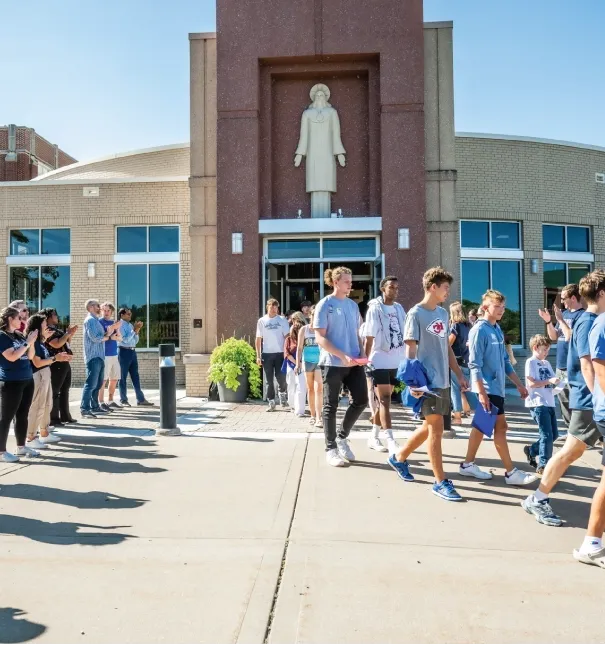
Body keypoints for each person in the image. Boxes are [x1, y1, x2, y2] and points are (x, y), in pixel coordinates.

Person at [521, 271, 603, 528]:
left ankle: (538, 497)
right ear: (600, 294)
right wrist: (598, 396)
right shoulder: (589, 322)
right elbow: (589, 365)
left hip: (587, 399)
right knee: (569, 451)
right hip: (589, 400)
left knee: (572, 450)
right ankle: (538, 498)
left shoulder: (585, 319)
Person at [388, 267, 469, 501]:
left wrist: (459, 375)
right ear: (433, 287)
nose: (447, 293)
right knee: (435, 431)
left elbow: (446, 348)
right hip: (426, 382)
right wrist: (412, 383)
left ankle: (398, 457)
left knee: (430, 428)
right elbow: (410, 350)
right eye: (445, 288)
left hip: (443, 380)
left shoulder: (443, 315)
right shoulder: (415, 314)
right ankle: (440, 482)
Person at [460, 289, 536, 485]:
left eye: (503, 306)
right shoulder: (479, 330)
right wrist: (482, 393)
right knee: (500, 428)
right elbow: (474, 364)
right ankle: (511, 472)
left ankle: (467, 464)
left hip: (497, 389)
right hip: (487, 389)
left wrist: (519, 385)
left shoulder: (496, 329)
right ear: (485, 307)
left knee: (481, 427)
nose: (501, 310)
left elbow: (505, 361)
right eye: (497, 306)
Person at [314, 266, 368, 467]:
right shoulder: (324, 305)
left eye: (350, 281)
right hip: (332, 363)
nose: (350, 284)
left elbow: (356, 333)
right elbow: (320, 337)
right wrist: (341, 355)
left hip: (354, 362)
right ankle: (331, 449)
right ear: (335, 282)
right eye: (346, 281)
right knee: (331, 406)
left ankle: (342, 436)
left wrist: (362, 353)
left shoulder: (353, 306)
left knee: (361, 400)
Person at [575, 273, 605, 567]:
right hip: (598, 406)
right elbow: (593, 366)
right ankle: (592, 543)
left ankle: (593, 542)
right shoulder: (594, 322)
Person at [364, 276, 406, 455]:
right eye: (391, 287)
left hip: (396, 360)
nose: (395, 290)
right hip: (379, 359)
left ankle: (373, 436)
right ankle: (390, 439)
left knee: (384, 402)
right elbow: (369, 336)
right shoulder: (375, 309)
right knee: (384, 400)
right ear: (383, 289)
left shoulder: (399, 308)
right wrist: (365, 361)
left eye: (397, 287)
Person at [538, 284, 584, 426]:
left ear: (574, 298)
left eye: (564, 298)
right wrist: (548, 321)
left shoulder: (582, 316)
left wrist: (560, 320)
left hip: (575, 368)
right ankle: (570, 430)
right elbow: (554, 337)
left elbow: (570, 336)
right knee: (563, 400)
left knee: (577, 401)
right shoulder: (563, 315)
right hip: (561, 366)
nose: (561, 302)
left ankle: (580, 433)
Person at [25, 313, 71, 449]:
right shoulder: (34, 343)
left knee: (46, 405)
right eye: (44, 323)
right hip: (38, 375)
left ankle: (44, 433)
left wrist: (58, 356)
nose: (47, 325)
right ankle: (31, 437)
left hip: (45, 375)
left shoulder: (41, 342)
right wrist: (56, 358)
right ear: (38, 326)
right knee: (37, 407)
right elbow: (37, 363)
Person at [0, 306, 38, 462]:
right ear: (10, 319)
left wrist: (31, 342)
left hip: (26, 379)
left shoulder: (18, 335)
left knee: (22, 415)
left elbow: (30, 356)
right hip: (11, 381)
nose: (21, 321)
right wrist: (27, 343)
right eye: (18, 318)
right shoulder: (2, 336)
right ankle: (1, 452)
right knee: (6, 417)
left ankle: (21, 447)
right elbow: (12, 357)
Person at [523, 334, 559, 474]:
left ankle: (532, 450)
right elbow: (532, 383)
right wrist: (549, 382)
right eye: (544, 350)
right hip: (538, 402)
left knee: (554, 435)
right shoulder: (530, 362)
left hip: (549, 401)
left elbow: (552, 381)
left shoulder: (547, 363)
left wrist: (557, 383)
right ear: (535, 348)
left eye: (548, 350)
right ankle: (544, 465)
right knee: (546, 435)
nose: (546, 353)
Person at [81, 299, 121, 418]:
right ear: (91, 307)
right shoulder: (91, 320)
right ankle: (84, 409)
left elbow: (102, 336)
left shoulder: (94, 321)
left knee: (97, 384)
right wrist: (109, 337)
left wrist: (110, 332)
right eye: (98, 306)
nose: (100, 308)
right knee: (91, 384)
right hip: (93, 356)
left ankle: (95, 407)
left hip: (99, 356)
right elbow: (95, 338)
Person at [42, 308, 77, 425]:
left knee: (65, 390)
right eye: (54, 315)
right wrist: (67, 333)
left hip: (65, 362)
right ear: (48, 317)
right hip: (55, 363)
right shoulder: (47, 330)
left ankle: (65, 416)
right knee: (55, 390)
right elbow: (56, 344)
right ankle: (53, 418)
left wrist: (69, 334)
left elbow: (66, 343)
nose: (57, 316)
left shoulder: (56, 329)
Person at [256, 299, 290, 411]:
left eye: (276, 307)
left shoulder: (282, 320)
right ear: (267, 307)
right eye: (271, 307)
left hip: (280, 353)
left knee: (281, 377)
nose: (274, 309)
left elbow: (287, 337)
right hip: (267, 354)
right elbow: (258, 339)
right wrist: (258, 355)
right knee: (269, 380)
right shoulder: (262, 321)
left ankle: (282, 394)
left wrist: (288, 352)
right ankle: (271, 401)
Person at [117, 307, 154, 407]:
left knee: (135, 376)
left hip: (132, 352)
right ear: (122, 315)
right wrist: (134, 330)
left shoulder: (129, 325)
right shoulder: (119, 325)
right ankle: (123, 400)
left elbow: (135, 341)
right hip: (123, 351)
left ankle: (140, 399)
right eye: (128, 314)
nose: (130, 315)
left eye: (130, 314)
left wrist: (136, 331)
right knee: (122, 377)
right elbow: (124, 340)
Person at [449, 301, 477, 426]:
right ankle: (483, 415)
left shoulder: (455, 326)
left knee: (455, 389)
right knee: (467, 388)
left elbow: (448, 344)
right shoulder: (468, 326)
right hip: (466, 361)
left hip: (456, 361)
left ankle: (457, 417)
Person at [296, 305, 323, 427]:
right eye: (314, 316)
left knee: (319, 389)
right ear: (310, 316)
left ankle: (319, 417)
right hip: (307, 361)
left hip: (319, 361)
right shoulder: (304, 330)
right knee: (310, 389)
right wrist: (297, 363)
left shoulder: (321, 329)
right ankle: (312, 415)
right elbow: (299, 348)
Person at [98, 302, 122, 412]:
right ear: (101, 311)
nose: (106, 312)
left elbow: (120, 338)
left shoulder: (114, 322)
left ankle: (111, 400)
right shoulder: (99, 322)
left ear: (111, 312)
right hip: (105, 355)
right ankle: (101, 402)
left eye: (108, 310)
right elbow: (102, 337)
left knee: (114, 378)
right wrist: (112, 332)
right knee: (103, 379)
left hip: (114, 354)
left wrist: (115, 335)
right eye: (104, 310)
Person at [285, 312, 307, 417]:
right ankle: (292, 405)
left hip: (303, 364)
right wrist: (297, 363)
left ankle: (299, 408)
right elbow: (287, 353)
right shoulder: (289, 339)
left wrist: (301, 364)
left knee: (300, 387)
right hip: (292, 364)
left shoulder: (306, 336)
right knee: (291, 385)